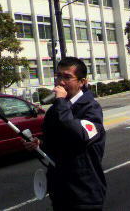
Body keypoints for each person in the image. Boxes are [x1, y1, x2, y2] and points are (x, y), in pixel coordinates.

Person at [23, 57, 106, 210]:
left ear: (81, 82)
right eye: (58, 76)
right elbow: (56, 144)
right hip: (60, 191)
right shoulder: (56, 110)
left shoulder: (91, 109)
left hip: (84, 194)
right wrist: (39, 144)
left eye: (67, 77)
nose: (60, 82)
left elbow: (79, 135)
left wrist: (60, 102)